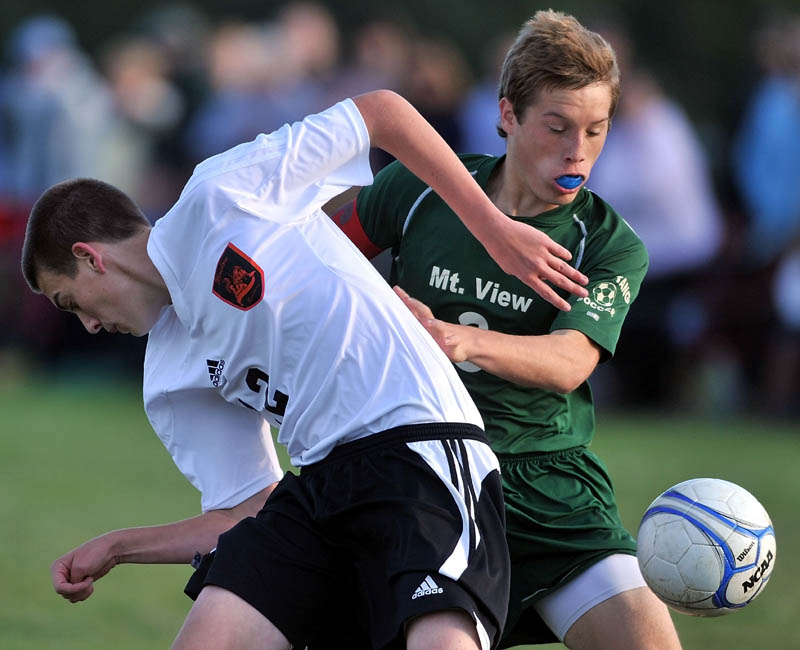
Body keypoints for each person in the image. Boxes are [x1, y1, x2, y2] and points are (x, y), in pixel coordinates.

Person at [22, 89, 589, 650]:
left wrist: (493, 230)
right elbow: (247, 510)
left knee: (442, 642)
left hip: (420, 449)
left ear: (89, 257)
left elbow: (383, 114)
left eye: (71, 303)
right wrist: (120, 547)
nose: (89, 327)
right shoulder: (169, 374)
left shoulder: (220, 194)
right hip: (317, 489)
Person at [330, 11, 682, 650]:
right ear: (507, 116)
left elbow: (570, 360)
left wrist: (456, 339)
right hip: (422, 476)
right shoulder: (417, 188)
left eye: (596, 131)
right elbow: (313, 260)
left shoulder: (608, 244)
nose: (577, 150)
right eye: (557, 126)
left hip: (550, 487)